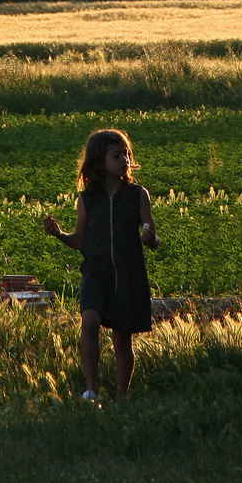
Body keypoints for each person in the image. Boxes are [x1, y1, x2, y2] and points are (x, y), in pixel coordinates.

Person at [44, 129, 159, 402]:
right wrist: (59, 234)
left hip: (128, 275)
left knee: (122, 337)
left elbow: (153, 239)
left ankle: (121, 396)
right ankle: (91, 389)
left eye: (127, 154)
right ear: (99, 161)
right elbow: (79, 240)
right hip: (96, 273)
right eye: (116, 155)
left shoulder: (137, 194)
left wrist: (149, 237)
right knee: (90, 320)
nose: (125, 160)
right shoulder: (87, 199)